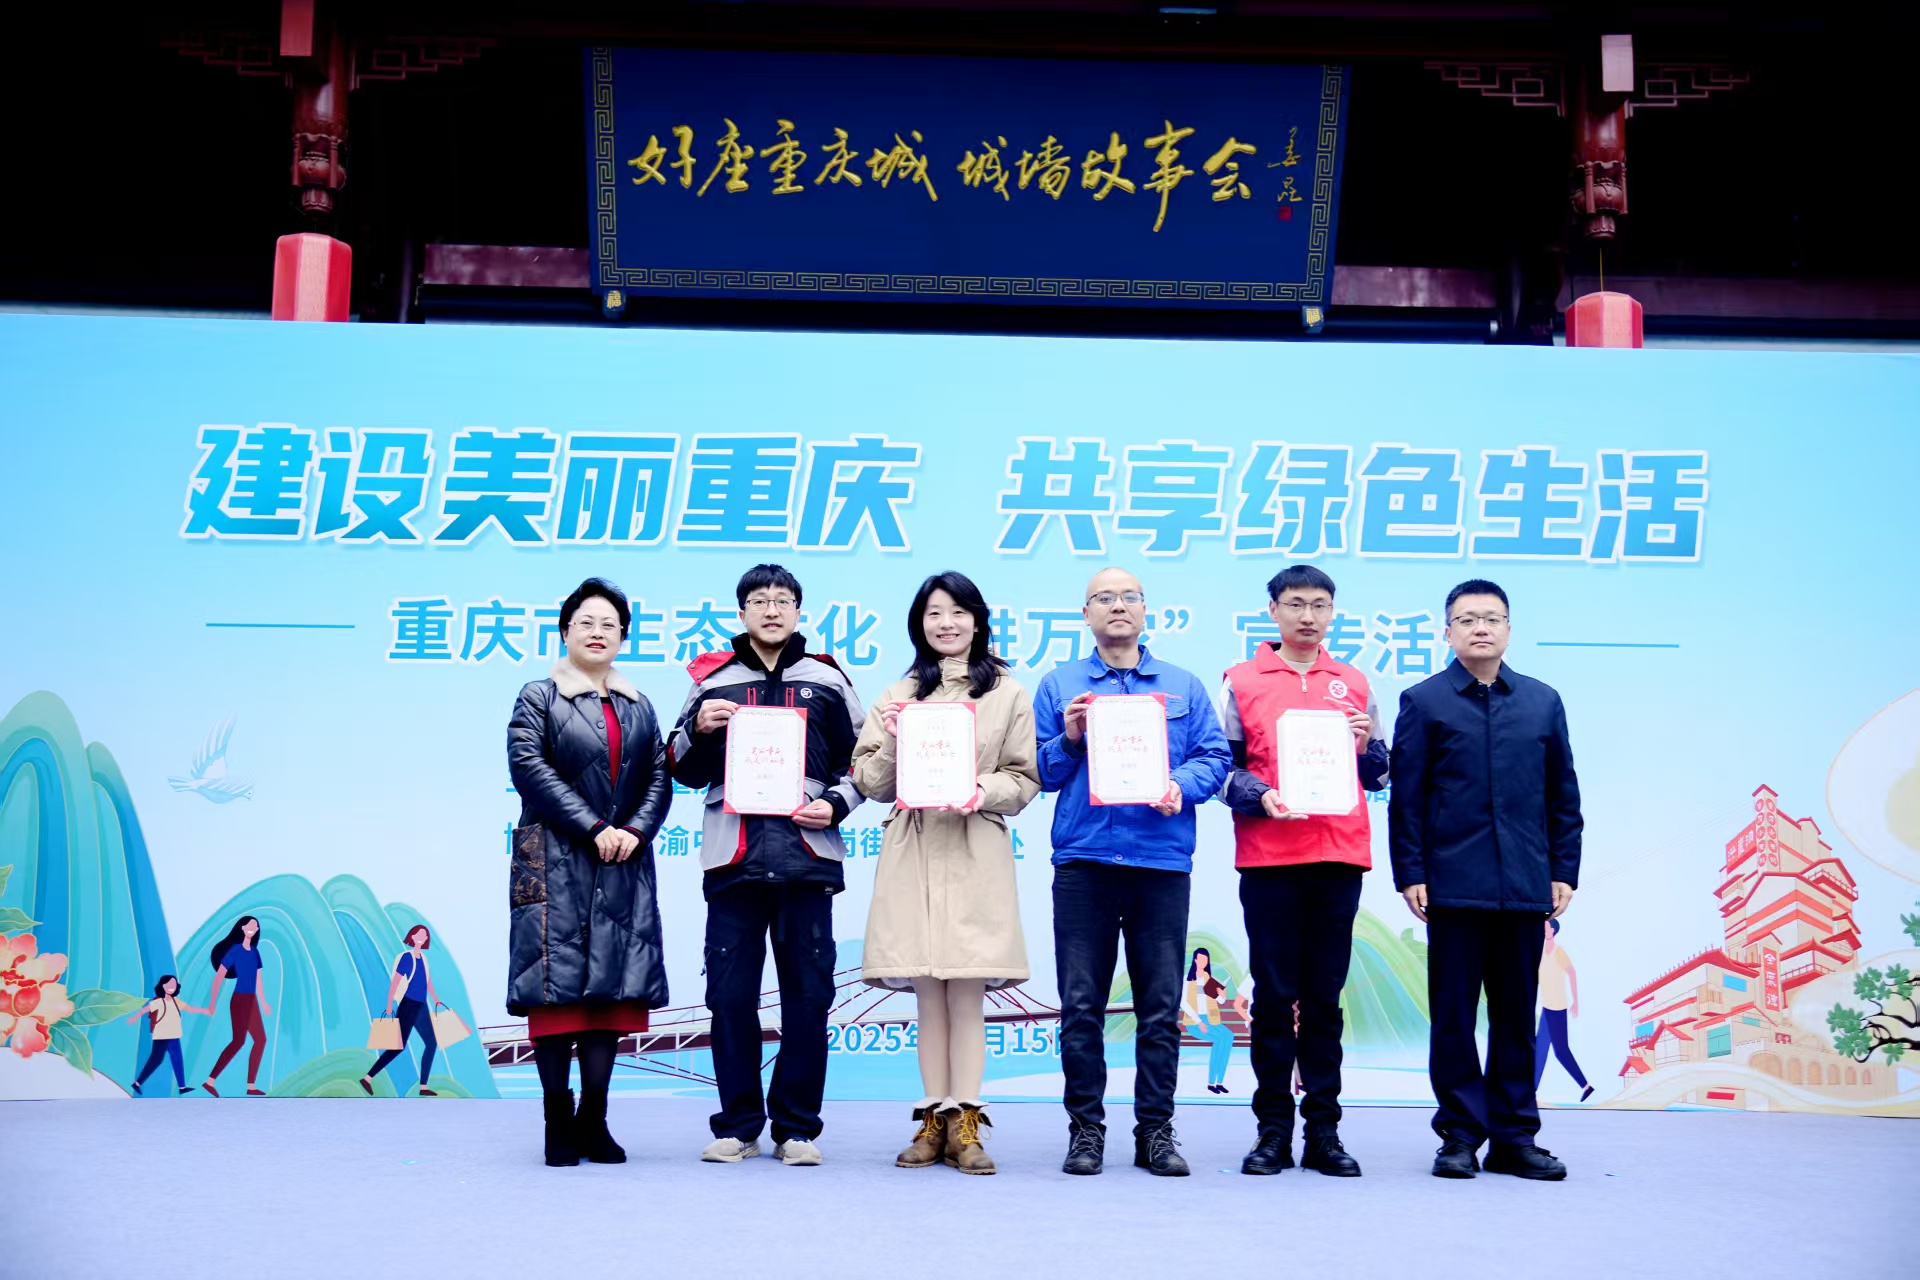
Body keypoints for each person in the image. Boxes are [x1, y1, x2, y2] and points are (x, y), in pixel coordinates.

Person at [1033, 567, 1231, 1177]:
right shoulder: (1060, 685)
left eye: (1129, 597)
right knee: (1081, 1004)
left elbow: (1214, 757)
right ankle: (1085, 1131)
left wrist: (1179, 785)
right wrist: (1070, 738)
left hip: (1159, 862)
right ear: (1086, 614)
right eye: (1104, 598)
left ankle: (1156, 1132)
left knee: (1160, 1005)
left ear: (1145, 611)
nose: (1117, 606)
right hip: (1085, 862)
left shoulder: (1183, 685)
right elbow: (1041, 772)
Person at [669, 564, 866, 1168]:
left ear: (799, 611)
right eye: (759, 600)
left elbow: (866, 760)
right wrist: (699, 729)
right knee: (729, 998)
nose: (772, 610)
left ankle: (797, 1129)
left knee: (809, 997)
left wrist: (837, 803)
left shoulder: (828, 679)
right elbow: (677, 764)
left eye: (783, 600)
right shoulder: (713, 681)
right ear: (742, 612)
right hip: (733, 859)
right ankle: (737, 1126)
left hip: (807, 859)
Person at [1390, 579, 1582, 1181]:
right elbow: (1407, 800)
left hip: (1525, 885)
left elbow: (1563, 796)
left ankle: (1514, 1138)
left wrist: (1563, 870)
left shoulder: (1542, 702)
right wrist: (1411, 872)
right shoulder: (1424, 702)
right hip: (1452, 885)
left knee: (1515, 1019)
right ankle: (1459, 1136)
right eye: (1468, 619)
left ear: (1508, 629)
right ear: (1447, 631)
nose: (1481, 628)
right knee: (1452, 1018)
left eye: (1492, 618)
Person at [852, 571, 1040, 1174]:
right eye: (934, 613)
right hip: (912, 849)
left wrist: (979, 788)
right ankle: (932, 1122)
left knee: (967, 992)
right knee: (928, 994)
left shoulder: (1008, 692)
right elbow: (869, 782)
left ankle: (968, 1127)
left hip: (974, 846)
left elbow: (1024, 778)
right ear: (920, 625)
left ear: (978, 621)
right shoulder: (898, 694)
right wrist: (893, 739)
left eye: (958, 611)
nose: (946, 623)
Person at [1216, 565, 1387, 1178]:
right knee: (1272, 997)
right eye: (1295, 604)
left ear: (1332, 613)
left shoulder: (1354, 682)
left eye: (1319, 605)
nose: (1307, 616)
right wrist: (1260, 794)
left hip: (1339, 855)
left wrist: (1365, 750)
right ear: (1273, 610)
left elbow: (1379, 772)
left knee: (1324, 999)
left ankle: (1324, 1133)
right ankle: (1272, 1132)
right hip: (1270, 857)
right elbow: (1222, 770)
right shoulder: (1241, 681)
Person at [507, 577, 673, 1167]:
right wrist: (593, 826)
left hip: (622, 859)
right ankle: (557, 1122)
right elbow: (528, 766)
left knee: (609, 993)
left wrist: (635, 831)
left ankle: (593, 1121)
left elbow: (659, 776)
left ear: (623, 636)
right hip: (554, 860)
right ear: (565, 631)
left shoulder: (639, 704)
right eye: (586, 622)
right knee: (554, 993)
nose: (598, 632)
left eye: (609, 624)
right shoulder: (539, 696)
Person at [360, 925, 445, 1098]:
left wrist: (435, 998)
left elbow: (427, 981)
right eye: (418, 934)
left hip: (421, 1005)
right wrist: (389, 1004)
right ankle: (367, 1078)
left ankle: (423, 1086)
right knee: (398, 1047)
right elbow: (395, 983)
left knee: (431, 1043)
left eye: (424, 935)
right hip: (408, 1005)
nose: (421, 937)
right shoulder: (407, 958)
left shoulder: (423, 958)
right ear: (412, 937)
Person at [200, 916, 272, 1096]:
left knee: (261, 1040)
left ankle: (250, 1086)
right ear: (242, 928)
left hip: (252, 1000)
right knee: (239, 1041)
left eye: (256, 925)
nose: (253, 927)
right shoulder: (235, 950)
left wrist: (263, 1002)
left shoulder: (255, 952)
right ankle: (210, 1081)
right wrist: (212, 1002)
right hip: (239, 1000)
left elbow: (259, 979)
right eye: (250, 924)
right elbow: (219, 976)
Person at [1535, 919, 1594, 1101]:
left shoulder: (1558, 952)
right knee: (1540, 1050)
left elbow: (1572, 972)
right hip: (1547, 1007)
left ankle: (1586, 1086)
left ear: (1552, 930)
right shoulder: (1542, 953)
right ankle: (1531, 1091)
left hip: (1557, 1008)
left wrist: (1576, 1001)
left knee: (1561, 1052)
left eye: (1546, 926)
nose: (1543, 929)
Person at [125, 975, 206, 1096]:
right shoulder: (159, 1002)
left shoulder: (176, 1001)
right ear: (162, 986)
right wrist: (134, 1017)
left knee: (177, 1059)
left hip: (174, 1035)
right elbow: (145, 1009)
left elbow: (189, 1008)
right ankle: (137, 1083)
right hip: (162, 1036)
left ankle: (182, 1087)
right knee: (156, 1060)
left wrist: (204, 1010)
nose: (171, 987)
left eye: (173, 984)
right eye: (168, 984)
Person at [1181, 948, 1243, 1095]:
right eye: (1201, 959)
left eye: (1206, 959)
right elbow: (1183, 1003)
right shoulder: (1187, 980)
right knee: (1220, 1039)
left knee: (1228, 1036)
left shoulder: (1209, 979)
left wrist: (1222, 994)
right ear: (1195, 960)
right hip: (1195, 1022)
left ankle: (1219, 1082)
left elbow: (1220, 1001)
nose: (1203, 962)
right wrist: (1198, 1022)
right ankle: (1211, 1082)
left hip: (1210, 1020)